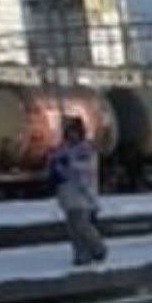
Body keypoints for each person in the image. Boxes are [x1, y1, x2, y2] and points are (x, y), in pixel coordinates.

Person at [47, 110, 108, 265]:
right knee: (73, 229)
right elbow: (53, 167)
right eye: (69, 132)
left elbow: (86, 169)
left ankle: (98, 248)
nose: (71, 135)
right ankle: (81, 255)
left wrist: (67, 165)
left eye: (74, 132)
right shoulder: (62, 149)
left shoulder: (86, 149)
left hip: (82, 194)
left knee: (82, 225)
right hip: (67, 195)